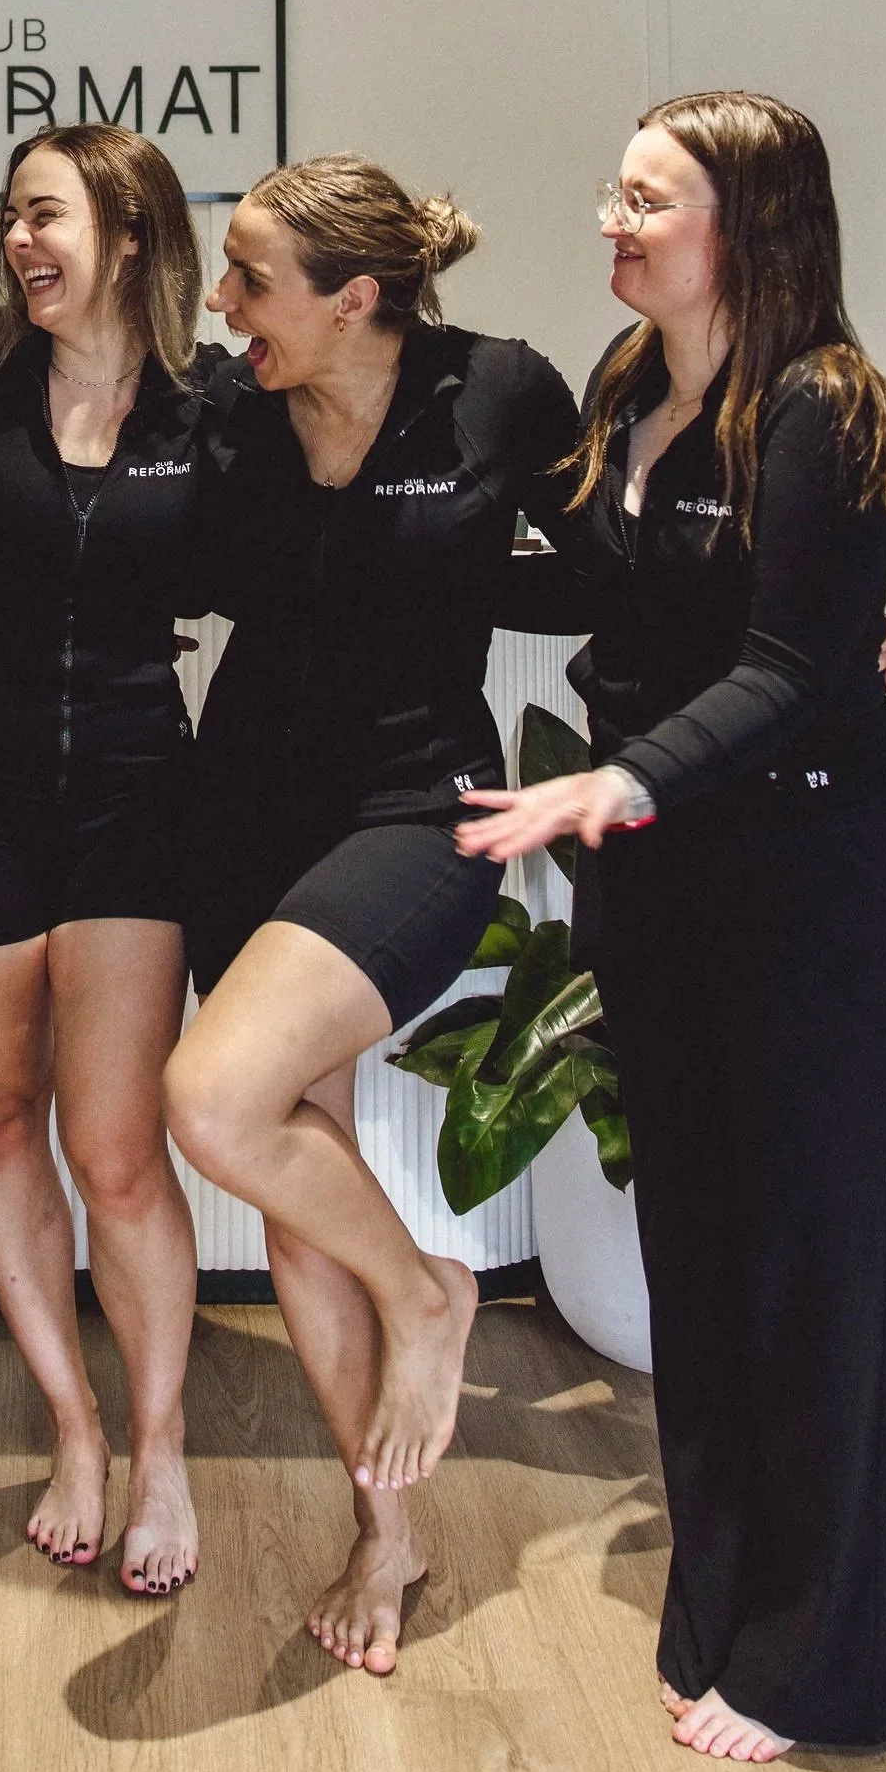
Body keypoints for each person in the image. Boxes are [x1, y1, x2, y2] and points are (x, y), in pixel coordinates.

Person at [457, 91, 886, 1765]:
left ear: (741, 222)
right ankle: (724, 1605)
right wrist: (389, 558)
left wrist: (603, 786)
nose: (611, 217)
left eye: (645, 198)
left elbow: (796, 664)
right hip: (668, 890)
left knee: (816, 1273)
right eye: (612, 191)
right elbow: (608, 594)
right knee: (702, 1262)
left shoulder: (826, 408)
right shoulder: (631, 392)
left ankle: (828, 1665)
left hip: (824, 887)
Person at [161, 157, 576, 1678]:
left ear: (354, 297)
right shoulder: (228, 413)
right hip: (242, 817)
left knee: (211, 1096)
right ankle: (387, 1534)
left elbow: (609, 557)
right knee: (289, 1184)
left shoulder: (497, 391)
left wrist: (804, 619)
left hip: (413, 807)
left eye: (250, 280)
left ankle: (429, 1292)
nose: (223, 305)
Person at [0, 126, 217, 1595]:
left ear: (127, 236)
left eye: (46, 214)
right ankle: (71, 1430)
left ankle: (159, 1450)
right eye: (9, 216)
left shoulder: (214, 412)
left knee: (115, 1147)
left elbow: (323, 552)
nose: (19, 241)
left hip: (137, 791)